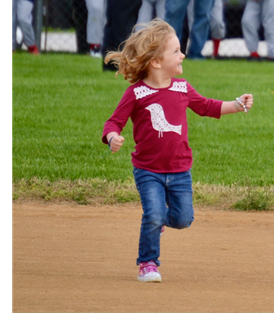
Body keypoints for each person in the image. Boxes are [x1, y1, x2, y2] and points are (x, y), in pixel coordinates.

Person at [102, 18, 253, 283]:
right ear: (157, 62)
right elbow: (113, 122)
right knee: (154, 214)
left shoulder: (182, 88)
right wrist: (112, 136)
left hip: (180, 169)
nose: (182, 54)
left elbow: (207, 106)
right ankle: (148, 263)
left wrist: (237, 104)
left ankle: (158, 223)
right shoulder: (136, 94)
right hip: (147, 169)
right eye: (176, 51)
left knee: (183, 219)